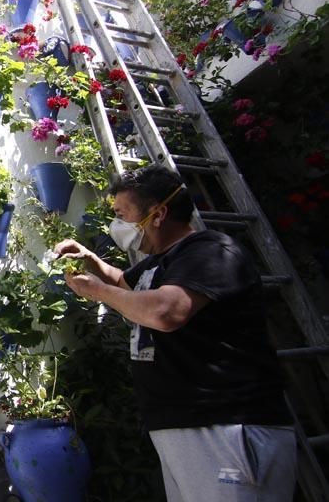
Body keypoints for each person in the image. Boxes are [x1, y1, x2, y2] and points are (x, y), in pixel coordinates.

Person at [54, 164, 296, 502]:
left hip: (225, 427)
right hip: (184, 429)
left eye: (123, 215)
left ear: (158, 213)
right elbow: (125, 283)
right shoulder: (158, 264)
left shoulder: (211, 250)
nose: (118, 226)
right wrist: (90, 259)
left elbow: (166, 311)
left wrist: (98, 292)